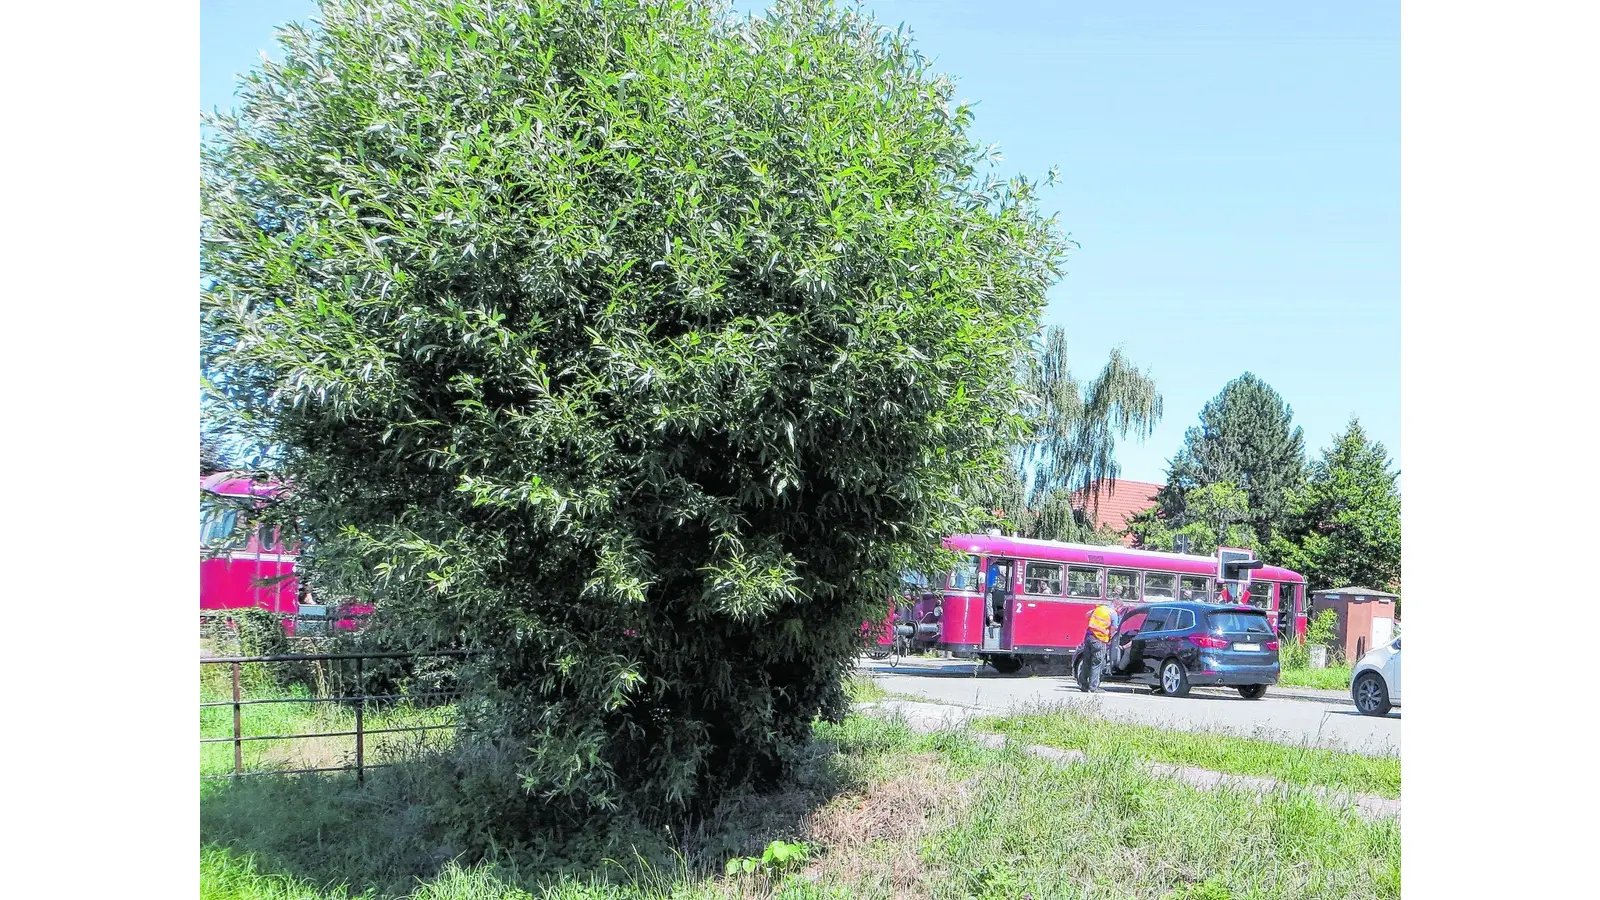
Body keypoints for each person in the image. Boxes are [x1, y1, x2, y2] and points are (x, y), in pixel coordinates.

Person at [1082, 601, 1117, 693]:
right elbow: (1113, 629)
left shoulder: (1099, 609)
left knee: (1087, 661)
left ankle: (1083, 685)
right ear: (1116, 606)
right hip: (1099, 639)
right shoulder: (1113, 614)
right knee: (1097, 663)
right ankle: (1093, 687)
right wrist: (1110, 637)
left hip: (1088, 637)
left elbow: (1087, 614)